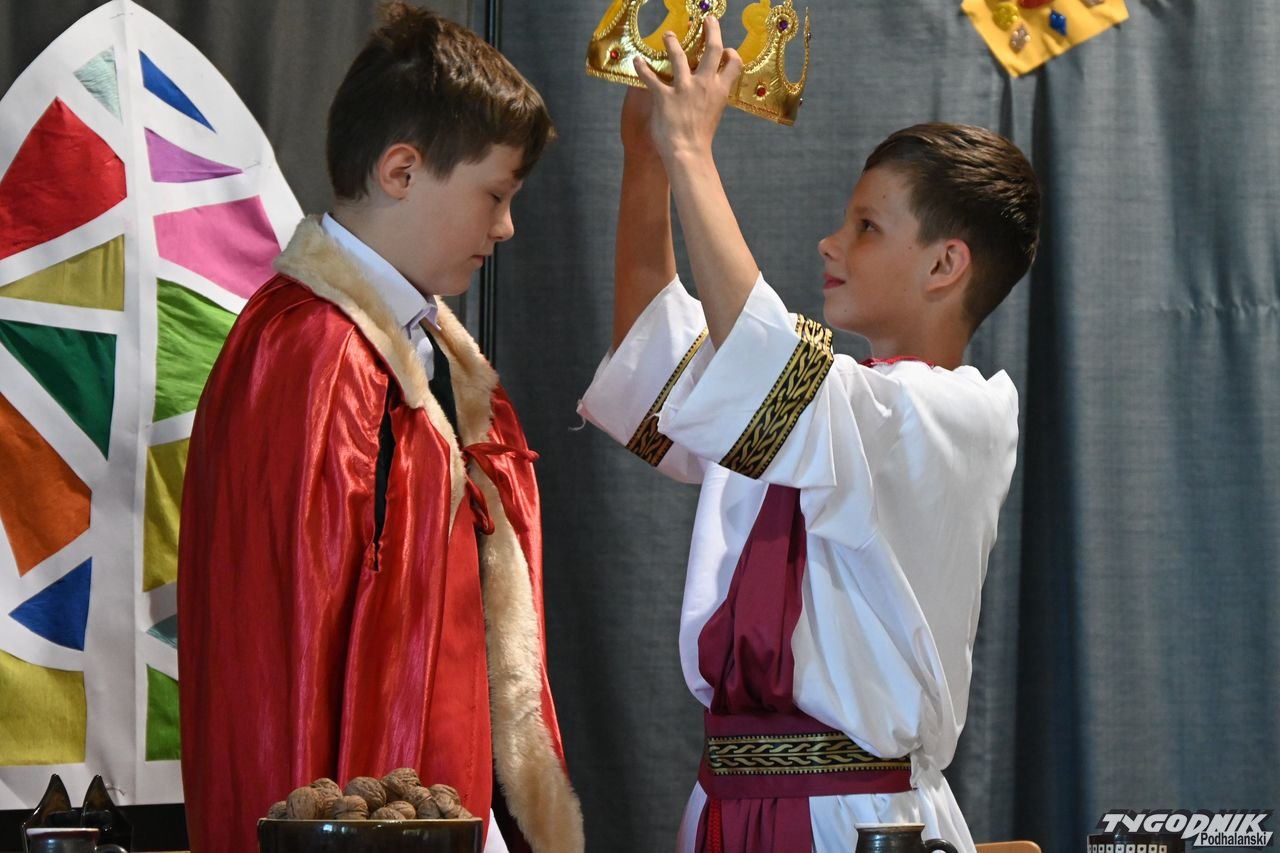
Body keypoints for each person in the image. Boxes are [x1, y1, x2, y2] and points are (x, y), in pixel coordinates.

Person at [578, 16, 1040, 853]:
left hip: (859, 819)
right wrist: (648, 161)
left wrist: (693, 153)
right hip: (726, 803)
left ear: (945, 265)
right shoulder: (821, 408)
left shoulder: (958, 417)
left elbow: (767, 366)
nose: (831, 242)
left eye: (867, 227)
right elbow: (657, 348)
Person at [176, 5, 583, 853]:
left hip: (443, 799)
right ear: (402, 170)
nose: (506, 227)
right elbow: (292, 654)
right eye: (495, 194)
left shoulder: (423, 356)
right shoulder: (315, 353)